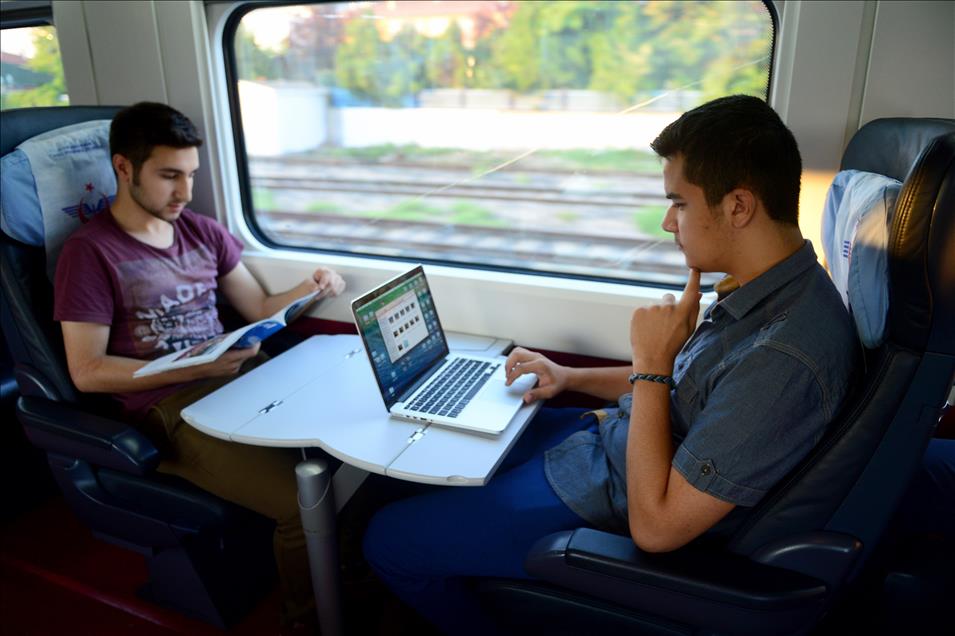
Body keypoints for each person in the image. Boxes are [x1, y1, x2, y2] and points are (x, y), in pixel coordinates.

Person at [362, 95, 858, 634]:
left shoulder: (781, 358)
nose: (668, 222)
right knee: (391, 477)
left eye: (680, 203)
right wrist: (571, 378)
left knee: (386, 541)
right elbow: (692, 389)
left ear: (738, 206)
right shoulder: (765, 292)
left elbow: (658, 528)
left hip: (607, 501)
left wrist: (649, 363)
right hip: (603, 445)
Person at [53, 101, 345, 629]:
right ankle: (309, 620)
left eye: (190, 175)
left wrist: (313, 286)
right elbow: (87, 370)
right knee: (302, 505)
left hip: (236, 378)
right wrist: (194, 369)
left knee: (349, 459)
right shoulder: (89, 253)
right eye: (169, 176)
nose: (184, 193)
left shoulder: (203, 232)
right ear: (124, 168)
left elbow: (257, 307)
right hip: (171, 408)